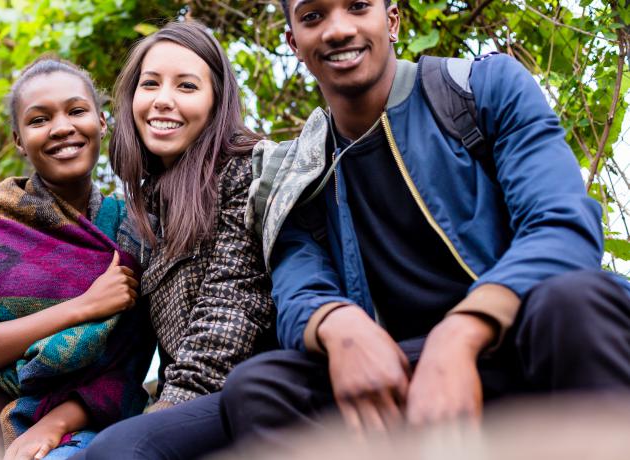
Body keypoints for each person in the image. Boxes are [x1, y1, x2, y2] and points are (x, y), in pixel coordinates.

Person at [221, 0, 630, 447]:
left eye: (358, 6)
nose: (338, 30)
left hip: (520, 335)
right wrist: (338, 326)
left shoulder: (483, 88)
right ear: (294, 43)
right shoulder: (297, 173)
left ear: (392, 20)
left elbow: (563, 226)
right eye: (313, 16)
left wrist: (460, 332)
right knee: (261, 387)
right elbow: (299, 288)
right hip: (397, 373)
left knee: (575, 299)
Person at [0, 56, 154, 460]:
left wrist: (52, 427)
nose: (62, 127)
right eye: (39, 119)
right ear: (19, 140)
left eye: (76, 111)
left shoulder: (132, 231)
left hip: (83, 422)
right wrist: (83, 307)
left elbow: (129, 367)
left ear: (101, 122)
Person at [74, 20, 276, 459]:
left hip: (257, 398)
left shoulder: (245, 172)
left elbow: (231, 313)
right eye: (150, 84)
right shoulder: (146, 211)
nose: (163, 100)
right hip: (196, 403)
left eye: (186, 86)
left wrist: (162, 414)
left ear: (215, 101)